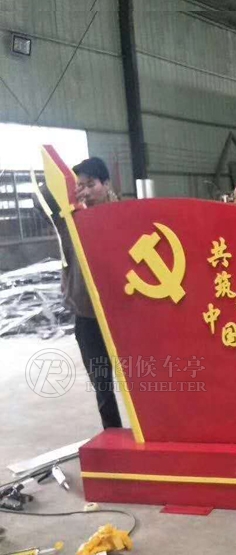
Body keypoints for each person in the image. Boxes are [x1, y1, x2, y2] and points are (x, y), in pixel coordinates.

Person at [66, 157, 122, 430]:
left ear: (106, 184)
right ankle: (113, 435)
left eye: (91, 184)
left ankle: (153, 437)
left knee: (142, 380)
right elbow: (44, 200)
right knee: (102, 385)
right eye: (81, 186)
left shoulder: (123, 216)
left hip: (122, 313)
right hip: (88, 315)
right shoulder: (73, 218)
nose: (85, 191)